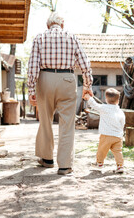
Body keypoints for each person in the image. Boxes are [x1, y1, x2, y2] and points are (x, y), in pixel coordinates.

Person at [27, 12, 93, 175]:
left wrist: (31, 89)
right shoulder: (72, 37)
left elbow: (33, 66)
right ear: (62, 24)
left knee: (45, 120)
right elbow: (84, 63)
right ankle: (64, 165)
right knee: (67, 123)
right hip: (67, 80)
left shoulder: (39, 38)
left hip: (45, 79)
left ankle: (47, 159)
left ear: (48, 25)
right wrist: (87, 85)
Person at [84, 88, 125, 173]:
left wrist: (89, 98)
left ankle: (99, 164)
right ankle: (120, 166)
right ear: (118, 101)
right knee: (118, 152)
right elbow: (122, 123)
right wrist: (121, 133)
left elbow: (94, 105)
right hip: (118, 136)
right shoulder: (120, 111)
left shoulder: (104, 108)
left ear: (106, 99)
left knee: (102, 150)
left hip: (106, 135)